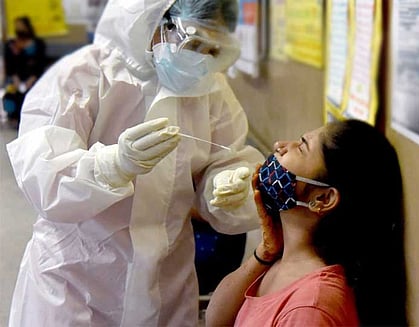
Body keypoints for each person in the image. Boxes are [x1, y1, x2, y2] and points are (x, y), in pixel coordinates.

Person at [6, 0, 264, 326]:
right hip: (76, 283)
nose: (200, 60)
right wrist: (113, 165)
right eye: (192, 43)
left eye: (212, 50)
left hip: (166, 284)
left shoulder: (211, 90)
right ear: (152, 20)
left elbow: (225, 159)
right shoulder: (80, 77)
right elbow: (42, 179)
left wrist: (225, 184)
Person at [206, 119, 408, 326]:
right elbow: (215, 320)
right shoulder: (278, 259)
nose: (280, 146)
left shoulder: (310, 308)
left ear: (323, 199)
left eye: (302, 147)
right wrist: (264, 253)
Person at [2, 16, 46, 125]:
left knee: (31, 95)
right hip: (16, 80)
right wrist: (15, 79)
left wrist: (32, 79)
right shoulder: (11, 46)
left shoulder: (38, 44)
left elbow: (40, 65)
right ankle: (13, 117)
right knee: (10, 96)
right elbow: (10, 66)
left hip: (34, 79)